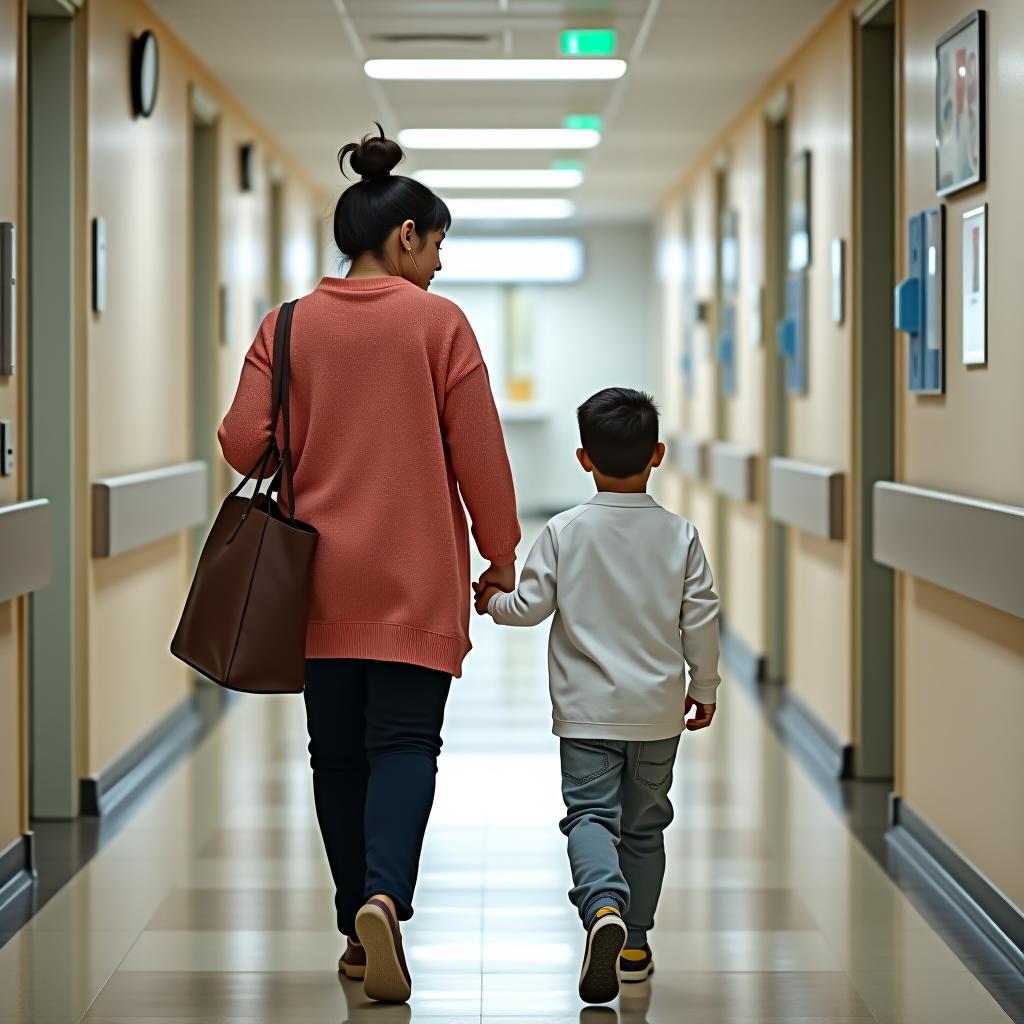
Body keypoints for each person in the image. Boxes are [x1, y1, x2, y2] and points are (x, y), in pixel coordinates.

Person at [218, 124, 521, 1005]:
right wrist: (500, 556)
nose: (439, 265)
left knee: (335, 757)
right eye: (436, 245)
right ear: (405, 237)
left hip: (315, 587)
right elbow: (481, 455)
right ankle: (387, 896)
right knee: (405, 746)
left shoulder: (288, 325)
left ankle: (356, 920)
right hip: (416, 582)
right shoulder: (439, 326)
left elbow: (243, 442)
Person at [475, 387, 720, 1005]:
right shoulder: (680, 535)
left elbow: (528, 609)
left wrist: (492, 601)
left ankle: (603, 906)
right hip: (658, 713)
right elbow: (702, 619)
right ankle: (634, 942)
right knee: (645, 825)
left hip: (586, 715)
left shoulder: (563, 531)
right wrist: (705, 687)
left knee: (589, 817)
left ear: (584, 458)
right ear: (657, 454)